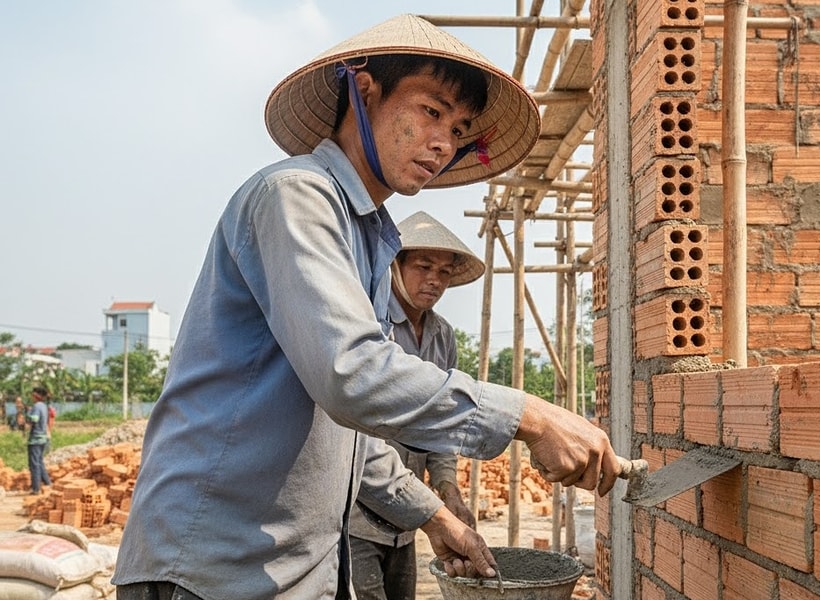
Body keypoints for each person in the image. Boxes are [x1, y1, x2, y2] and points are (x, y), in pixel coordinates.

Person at [113, 14, 621, 600]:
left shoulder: (370, 241)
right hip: (213, 567)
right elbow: (351, 377)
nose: (443, 143)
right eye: (432, 111)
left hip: (293, 568)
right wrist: (531, 417)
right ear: (363, 89)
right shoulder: (296, 197)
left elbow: (347, 431)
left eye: (458, 130)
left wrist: (435, 516)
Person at [349, 211, 482, 600]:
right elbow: (356, 426)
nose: (434, 280)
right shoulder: (372, 325)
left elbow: (441, 425)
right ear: (395, 266)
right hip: (358, 514)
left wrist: (448, 490)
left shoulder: (442, 337)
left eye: (443, 272)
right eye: (423, 266)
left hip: (408, 522)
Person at [26, 386, 52, 495]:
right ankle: (47, 484)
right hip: (43, 438)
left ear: (36, 395)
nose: (32, 397)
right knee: (40, 462)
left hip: (36, 439)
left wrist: (28, 414)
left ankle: (36, 488)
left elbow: (35, 419)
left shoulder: (36, 406)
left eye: (32, 395)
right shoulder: (44, 406)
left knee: (34, 464)